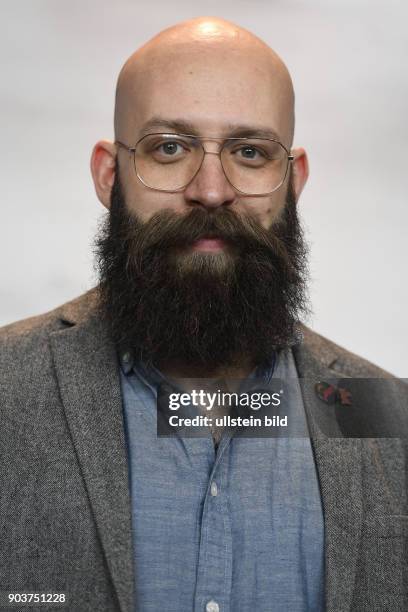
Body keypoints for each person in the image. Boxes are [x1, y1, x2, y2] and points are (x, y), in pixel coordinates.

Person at [0, 16, 407, 612]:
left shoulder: (390, 424)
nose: (212, 191)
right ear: (109, 175)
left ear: (291, 182)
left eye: (249, 151)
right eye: (170, 148)